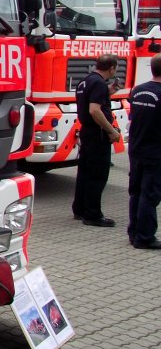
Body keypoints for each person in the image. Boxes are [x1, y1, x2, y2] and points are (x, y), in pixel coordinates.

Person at [71, 53, 121, 227]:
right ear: (111, 68)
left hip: (87, 132)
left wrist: (108, 92)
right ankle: (92, 214)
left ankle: (79, 209)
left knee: (84, 173)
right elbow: (94, 110)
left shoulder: (86, 81)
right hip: (98, 134)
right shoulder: (99, 83)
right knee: (97, 175)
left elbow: (89, 102)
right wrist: (111, 131)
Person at [126, 53, 161, 250]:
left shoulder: (138, 90)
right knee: (150, 195)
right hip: (155, 152)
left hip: (136, 148)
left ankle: (134, 232)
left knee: (136, 192)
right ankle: (145, 237)